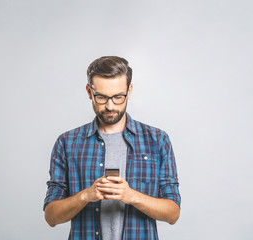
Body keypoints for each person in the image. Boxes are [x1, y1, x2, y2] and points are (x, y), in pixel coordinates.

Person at [43, 56, 181, 240]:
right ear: (89, 91)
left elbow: (173, 214)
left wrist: (132, 196)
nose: (110, 106)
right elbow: (51, 217)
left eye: (118, 97)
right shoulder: (67, 143)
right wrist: (85, 196)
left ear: (129, 91)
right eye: (101, 97)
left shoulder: (157, 140)